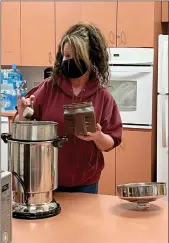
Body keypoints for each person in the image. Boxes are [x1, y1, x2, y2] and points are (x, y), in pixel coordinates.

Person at [14, 22, 122, 194]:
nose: (69, 61)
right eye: (66, 56)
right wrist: (22, 114)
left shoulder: (103, 97)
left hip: (86, 183)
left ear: (91, 58)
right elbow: (24, 126)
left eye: (76, 56)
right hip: (46, 180)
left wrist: (97, 135)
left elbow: (110, 143)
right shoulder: (49, 88)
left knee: (84, 222)